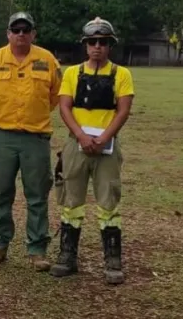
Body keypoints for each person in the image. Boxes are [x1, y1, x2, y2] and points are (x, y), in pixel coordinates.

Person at [0, 11, 61, 272]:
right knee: (0, 192)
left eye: (26, 30)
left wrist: (35, 114)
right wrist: (2, 116)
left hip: (36, 137)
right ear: (8, 33)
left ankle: (37, 249)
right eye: (16, 29)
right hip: (3, 137)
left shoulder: (47, 60)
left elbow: (56, 95)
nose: (21, 34)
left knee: (37, 195)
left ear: (33, 34)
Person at [50, 17, 133, 284]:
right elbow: (64, 107)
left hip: (106, 146)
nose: (98, 47)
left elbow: (123, 110)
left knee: (109, 200)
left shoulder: (122, 74)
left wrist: (104, 137)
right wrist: (81, 136)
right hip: (77, 144)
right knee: (71, 200)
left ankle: (112, 260)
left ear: (110, 46)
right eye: (93, 42)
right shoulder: (72, 73)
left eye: (103, 42)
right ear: (85, 46)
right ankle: (67, 255)